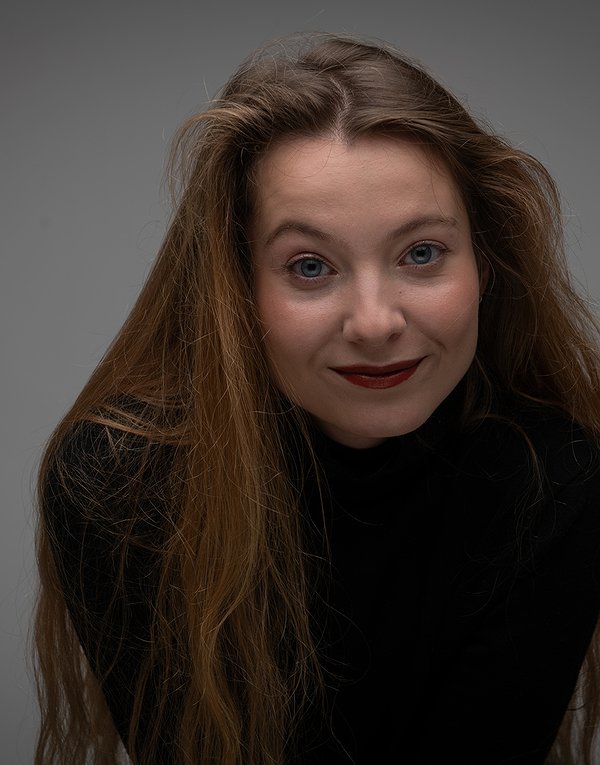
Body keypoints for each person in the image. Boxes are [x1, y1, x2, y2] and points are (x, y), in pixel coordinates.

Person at [33, 32, 600, 765]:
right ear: (237, 290)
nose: (375, 322)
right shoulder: (119, 483)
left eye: (421, 253)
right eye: (309, 266)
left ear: (484, 266)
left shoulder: (557, 482)